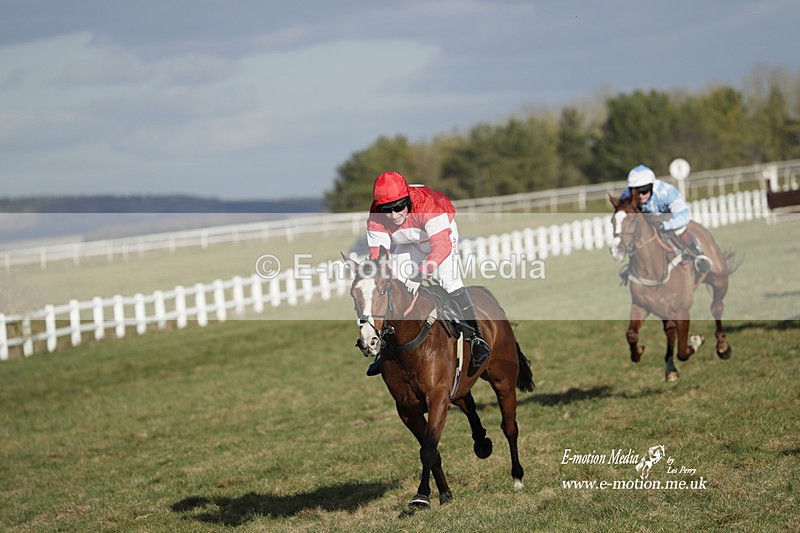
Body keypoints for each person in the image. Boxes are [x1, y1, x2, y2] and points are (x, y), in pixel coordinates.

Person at [362, 171, 491, 376]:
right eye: (387, 210)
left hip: (440, 237)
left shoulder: (428, 203)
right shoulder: (376, 215)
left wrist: (421, 273)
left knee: (449, 281)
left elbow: (440, 246)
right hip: (408, 243)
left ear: (408, 201)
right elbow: (379, 256)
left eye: (398, 207)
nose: (394, 215)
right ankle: (385, 349)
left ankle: (477, 338)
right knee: (392, 285)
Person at [620, 164, 711, 273]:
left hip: (668, 218)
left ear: (651, 186)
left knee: (679, 229)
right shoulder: (626, 197)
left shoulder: (667, 192)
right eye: (637, 192)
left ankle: (697, 255)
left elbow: (684, 216)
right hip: (647, 220)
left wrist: (666, 225)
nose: (640, 196)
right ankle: (633, 265)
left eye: (644, 190)